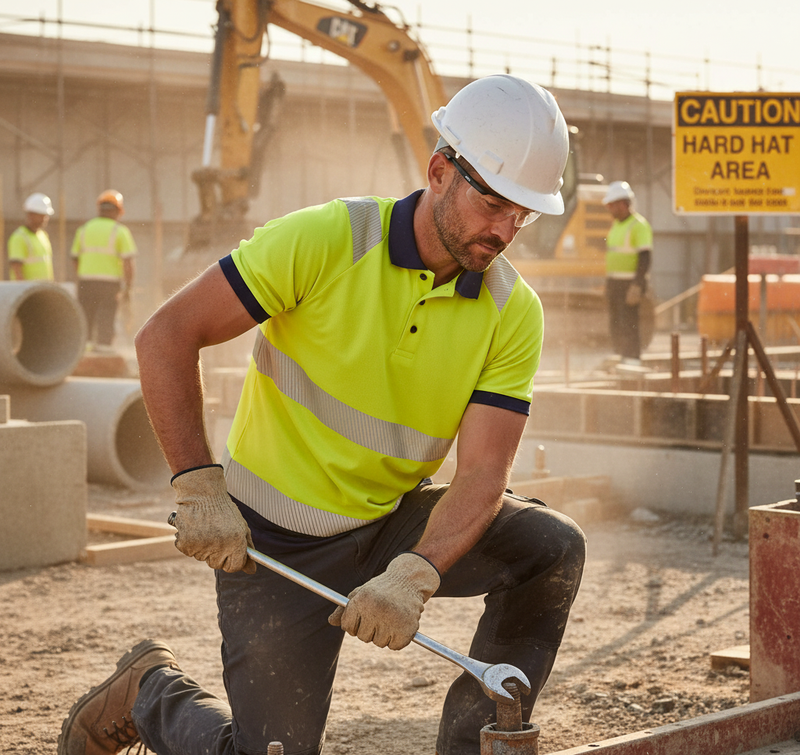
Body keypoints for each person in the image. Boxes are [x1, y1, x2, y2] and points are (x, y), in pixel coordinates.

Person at [57, 75, 587, 755]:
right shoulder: (328, 240)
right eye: (495, 202)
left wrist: (416, 571)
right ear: (438, 170)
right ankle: (150, 691)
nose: (508, 229)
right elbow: (166, 334)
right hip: (276, 543)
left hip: (389, 525)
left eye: (525, 213)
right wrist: (196, 482)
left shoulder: (512, 311)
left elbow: (484, 471)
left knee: (552, 546)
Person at [70, 190, 137, 352]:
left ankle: (82, 353)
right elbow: (128, 263)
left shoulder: (84, 229)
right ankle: (104, 353)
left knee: (85, 318)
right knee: (106, 318)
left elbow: (74, 258)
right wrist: (128, 287)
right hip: (110, 284)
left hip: (86, 282)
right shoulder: (120, 231)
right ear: (117, 211)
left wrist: (82, 276)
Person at [603, 180, 653, 365]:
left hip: (629, 283)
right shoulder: (617, 225)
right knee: (616, 322)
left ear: (623, 204)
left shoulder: (639, 225)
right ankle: (621, 354)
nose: (609, 208)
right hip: (615, 282)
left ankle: (632, 358)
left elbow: (645, 258)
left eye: (612, 204)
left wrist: (637, 285)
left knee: (629, 321)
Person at [7, 192, 55, 281]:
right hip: (29, 291)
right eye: (41, 215)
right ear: (31, 215)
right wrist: (25, 292)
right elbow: (16, 269)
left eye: (46, 216)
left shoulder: (43, 236)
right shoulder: (19, 237)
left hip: (43, 290)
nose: (45, 219)